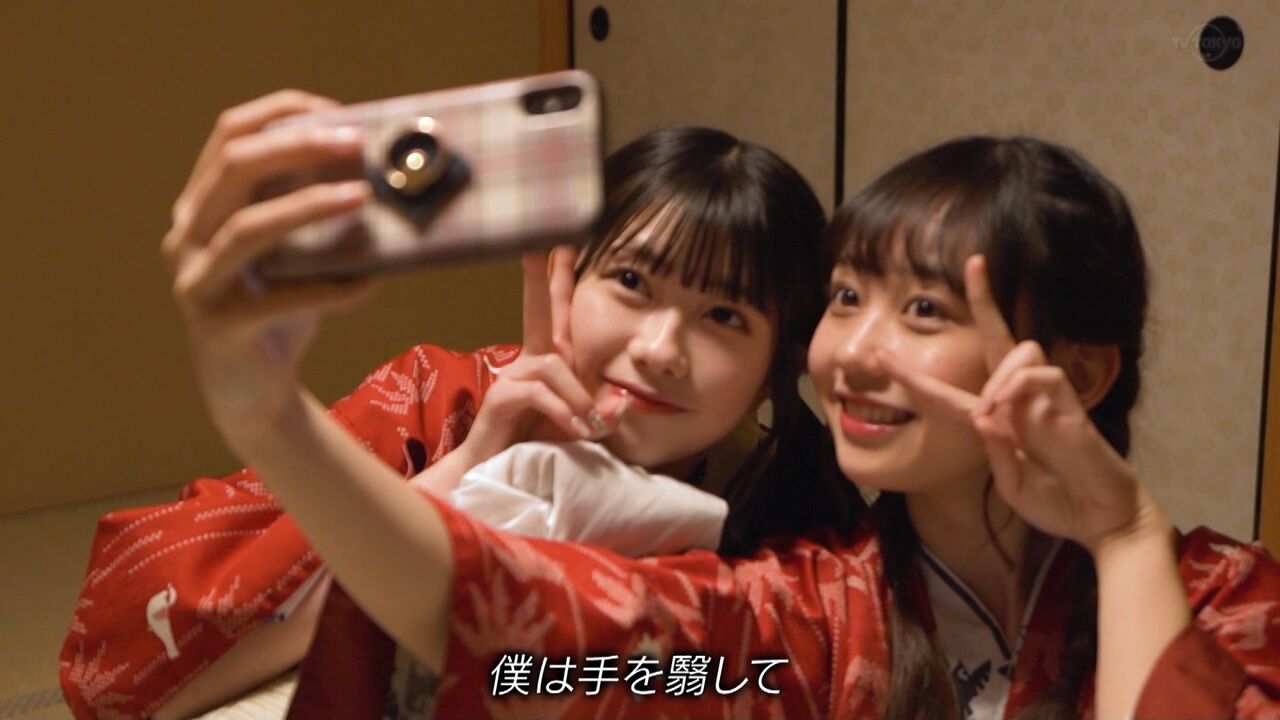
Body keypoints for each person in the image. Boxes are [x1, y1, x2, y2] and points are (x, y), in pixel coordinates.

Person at [175, 133, 1278, 719]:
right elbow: (534, 638)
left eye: (924, 311)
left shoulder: (1227, 597)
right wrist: (275, 417)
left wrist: (1125, 537)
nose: (851, 351)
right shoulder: (811, 610)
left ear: (1077, 370)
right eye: (845, 299)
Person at [59, 90, 862, 719]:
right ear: (565, 272)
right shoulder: (436, 398)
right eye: (630, 281)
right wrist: (470, 467)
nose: (659, 347)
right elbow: (133, 664)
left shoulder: (790, 505)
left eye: (724, 316)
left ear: (778, 363)